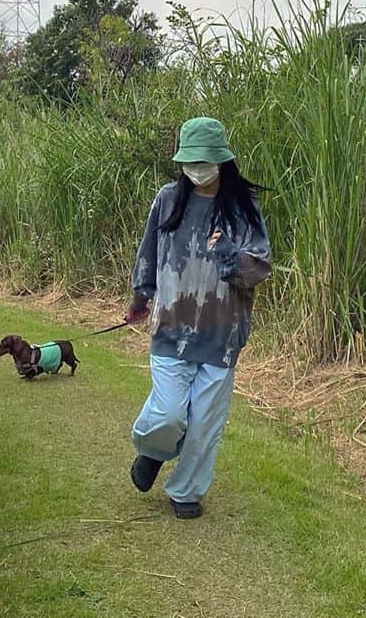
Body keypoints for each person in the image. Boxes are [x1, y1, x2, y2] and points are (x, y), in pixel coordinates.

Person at [126, 116, 271, 519]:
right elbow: (149, 253)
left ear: (222, 160)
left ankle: (186, 492)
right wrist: (140, 298)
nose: (196, 169)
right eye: (189, 161)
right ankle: (153, 450)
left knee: (205, 421)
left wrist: (228, 252)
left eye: (203, 161)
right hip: (171, 325)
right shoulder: (168, 199)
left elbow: (259, 268)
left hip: (222, 333)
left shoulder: (245, 209)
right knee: (169, 412)